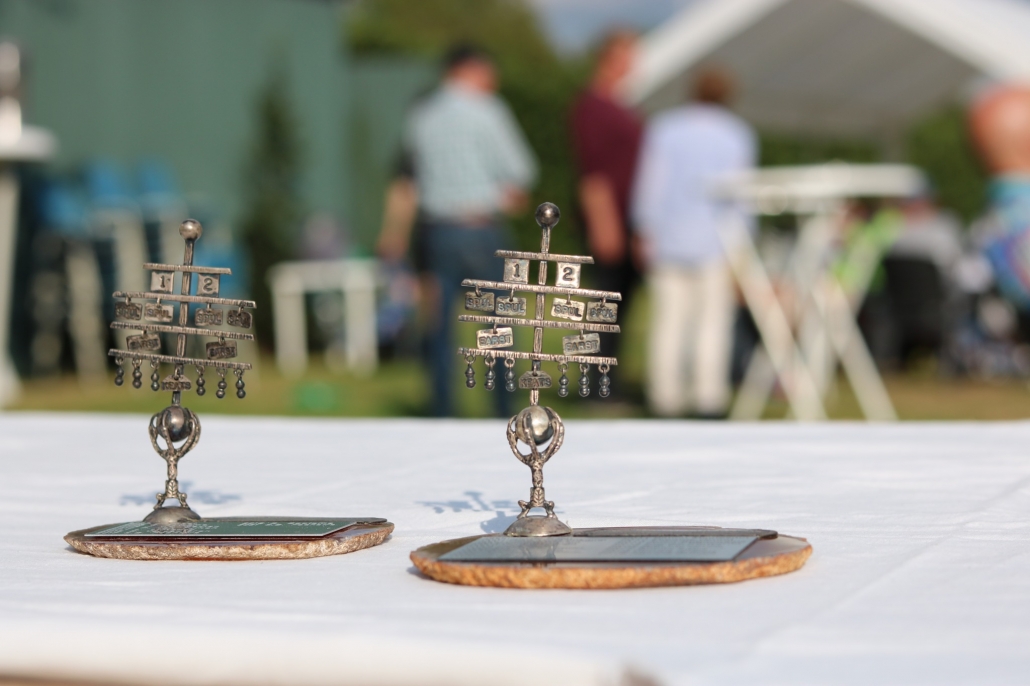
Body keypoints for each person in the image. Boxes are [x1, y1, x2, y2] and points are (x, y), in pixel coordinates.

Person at [378, 44, 537, 417]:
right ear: (472, 70)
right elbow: (521, 171)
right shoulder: (489, 111)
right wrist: (502, 195)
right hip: (481, 229)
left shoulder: (421, 115)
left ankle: (442, 411)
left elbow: (407, 179)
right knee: (497, 324)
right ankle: (503, 411)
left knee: (437, 325)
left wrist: (394, 232)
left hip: (436, 232)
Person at [631, 68, 756, 418]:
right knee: (712, 323)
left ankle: (665, 398)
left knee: (668, 321)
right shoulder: (736, 134)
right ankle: (708, 398)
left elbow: (650, 185)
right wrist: (744, 246)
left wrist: (644, 229)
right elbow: (741, 195)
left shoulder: (665, 128)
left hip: (667, 239)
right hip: (716, 241)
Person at [570, 31, 643, 386]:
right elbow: (593, 172)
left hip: (628, 213)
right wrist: (604, 223)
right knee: (604, 303)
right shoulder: (593, 106)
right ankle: (597, 380)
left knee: (620, 302)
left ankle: (608, 377)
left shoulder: (620, 103)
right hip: (609, 215)